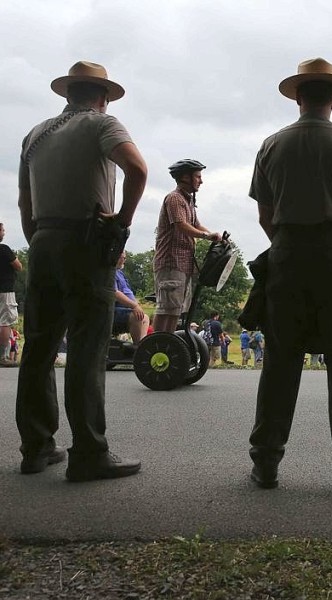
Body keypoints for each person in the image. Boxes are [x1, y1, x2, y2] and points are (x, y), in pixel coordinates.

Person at [248, 58, 332, 493]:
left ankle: (266, 462)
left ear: (298, 97)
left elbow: (265, 216)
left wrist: (289, 245)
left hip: (286, 251)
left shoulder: (271, 145)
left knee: (281, 360)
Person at [16, 61, 147, 480]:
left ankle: (36, 448)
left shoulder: (34, 135)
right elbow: (138, 169)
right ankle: (89, 452)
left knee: (38, 347)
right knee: (88, 348)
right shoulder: (101, 126)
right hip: (86, 242)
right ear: (103, 96)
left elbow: (25, 203)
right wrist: (121, 222)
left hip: (43, 240)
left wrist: (38, 239)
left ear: (68, 93)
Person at [152, 159, 222, 334]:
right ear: (185, 177)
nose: (201, 180)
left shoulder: (188, 201)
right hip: (171, 262)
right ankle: (157, 344)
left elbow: (196, 225)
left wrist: (216, 237)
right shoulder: (174, 198)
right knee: (166, 308)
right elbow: (181, 225)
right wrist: (207, 236)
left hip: (183, 264)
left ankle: (167, 343)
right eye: (197, 176)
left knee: (176, 309)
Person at [112, 251, 149, 344]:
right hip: (114, 310)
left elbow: (128, 292)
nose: (124, 260)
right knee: (136, 317)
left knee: (145, 317)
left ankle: (141, 344)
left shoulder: (120, 273)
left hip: (125, 309)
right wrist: (134, 306)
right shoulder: (110, 273)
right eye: (122, 258)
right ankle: (137, 347)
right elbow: (115, 293)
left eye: (124, 258)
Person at [0, 223, 23, 366]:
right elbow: (19, 266)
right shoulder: (4, 249)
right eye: (2, 230)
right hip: (5, 290)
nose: (4, 233)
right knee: (5, 321)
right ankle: (2, 356)